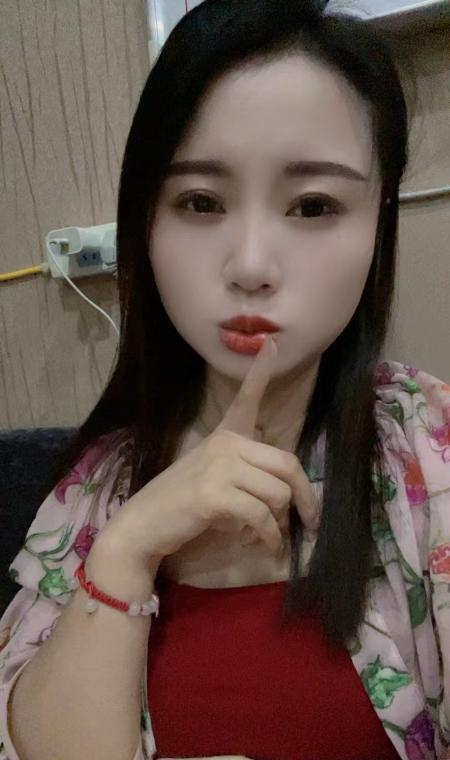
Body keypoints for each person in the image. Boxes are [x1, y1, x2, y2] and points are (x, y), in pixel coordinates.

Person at [0, 0, 449, 758]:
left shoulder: (431, 449)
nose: (250, 266)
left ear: (379, 223)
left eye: (313, 205)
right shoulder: (98, 486)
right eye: (200, 202)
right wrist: (127, 549)